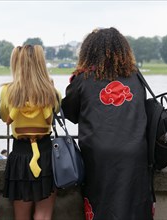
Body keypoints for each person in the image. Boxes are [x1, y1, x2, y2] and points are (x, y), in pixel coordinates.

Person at [62, 27, 153, 219]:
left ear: (89, 52)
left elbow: (70, 113)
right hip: (134, 151)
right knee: (135, 205)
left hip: (98, 153)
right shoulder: (135, 77)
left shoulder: (82, 79)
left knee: (100, 204)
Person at [0, 45, 61, 220]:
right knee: (44, 214)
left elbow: (4, 116)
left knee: (21, 216)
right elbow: (57, 109)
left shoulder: (7, 91)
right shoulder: (51, 91)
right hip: (46, 152)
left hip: (20, 153)